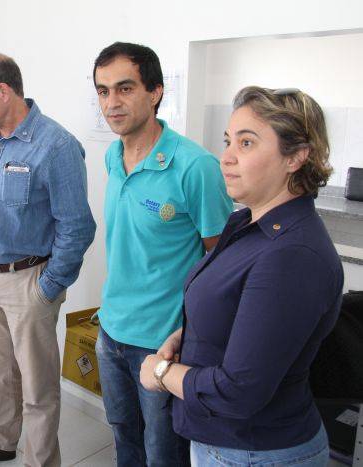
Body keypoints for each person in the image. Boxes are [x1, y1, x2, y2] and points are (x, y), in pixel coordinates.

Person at [139, 86, 343, 466]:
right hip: (227, 444)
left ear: (295, 156)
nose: (227, 157)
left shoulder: (291, 255)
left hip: (254, 452)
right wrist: (186, 336)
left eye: (246, 143)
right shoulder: (246, 222)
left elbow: (239, 390)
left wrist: (162, 372)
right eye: (228, 141)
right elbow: (235, 309)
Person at [92, 42, 233, 466]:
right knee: (124, 439)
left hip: (163, 344)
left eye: (124, 88)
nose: (112, 103)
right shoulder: (113, 155)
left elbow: (222, 265)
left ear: (155, 92)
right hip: (111, 330)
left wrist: (192, 336)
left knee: (163, 453)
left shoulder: (195, 167)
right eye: (103, 91)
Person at [0, 52, 96, 467]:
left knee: (37, 387)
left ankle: (40, 461)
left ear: (3, 91)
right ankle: (2, 441)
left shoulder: (56, 146)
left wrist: (48, 287)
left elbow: (77, 226)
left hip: (28, 281)